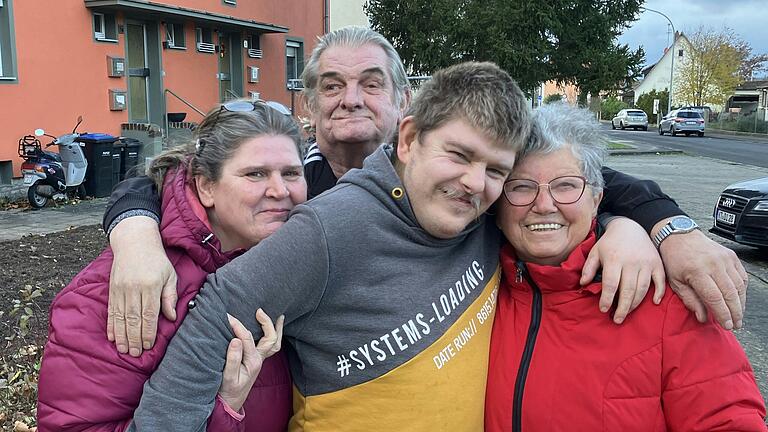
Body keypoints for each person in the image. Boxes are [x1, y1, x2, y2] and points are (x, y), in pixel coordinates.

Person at [103, 26, 746, 361]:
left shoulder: (456, 183)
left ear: (405, 108)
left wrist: (659, 226)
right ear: (308, 104)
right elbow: (179, 175)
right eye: (329, 85)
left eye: (369, 83)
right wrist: (131, 227)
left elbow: (569, 183)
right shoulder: (295, 178)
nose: (349, 98)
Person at [125, 61, 529, 431]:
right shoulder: (329, 230)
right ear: (408, 140)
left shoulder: (488, 220)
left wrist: (597, 222)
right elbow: (216, 316)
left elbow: (560, 186)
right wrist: (133, 222)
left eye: (496, 170)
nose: (476, 183)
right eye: (459, 155)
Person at [485, 103, 767, 431]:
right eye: (521, 187)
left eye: (566, 186)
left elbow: (727, 420)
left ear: (596, 199)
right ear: (496, 203)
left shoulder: (667, 299)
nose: (544, 205)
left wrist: (666, 229)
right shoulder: (482, 289)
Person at [37, 100, 305, 430]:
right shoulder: (122, 290)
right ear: (206, 186)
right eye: (256, 174)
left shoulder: (279, 261)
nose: (281, 191)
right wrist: (224, 407)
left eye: (291, 173)